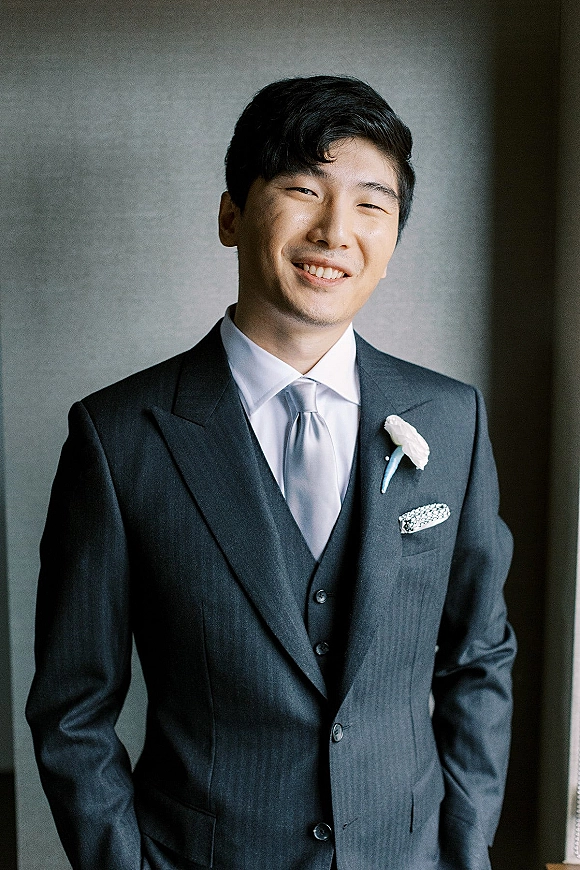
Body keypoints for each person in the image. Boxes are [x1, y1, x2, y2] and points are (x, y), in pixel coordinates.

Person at [26, 75, 516, 870]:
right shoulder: (117, 437)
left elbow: (479, 657)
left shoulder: (451, 418)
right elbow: (72, 707)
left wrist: (463, 846)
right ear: (231, 215)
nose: (335, 230)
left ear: (392, 243)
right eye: (301, 189)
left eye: (370, 204)